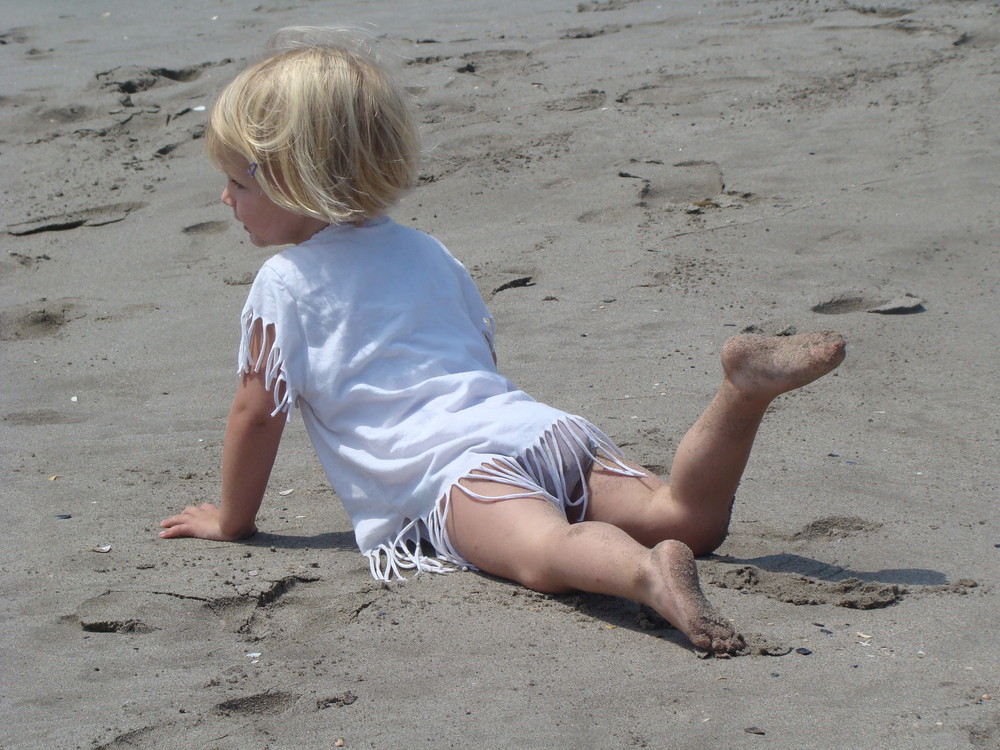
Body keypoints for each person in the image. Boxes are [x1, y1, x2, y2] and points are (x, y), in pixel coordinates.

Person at [160, 28, 846, 654]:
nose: (226, 200)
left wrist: (233, 520)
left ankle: (646, 573)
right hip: (540, 432)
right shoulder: (427, 251)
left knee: (546, 551)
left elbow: (257, 412)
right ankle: (740, 393)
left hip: (456, 475)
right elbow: (476, 354)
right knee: (684, 515)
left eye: (235, 181)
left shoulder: (285, 282)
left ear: (290, 178)